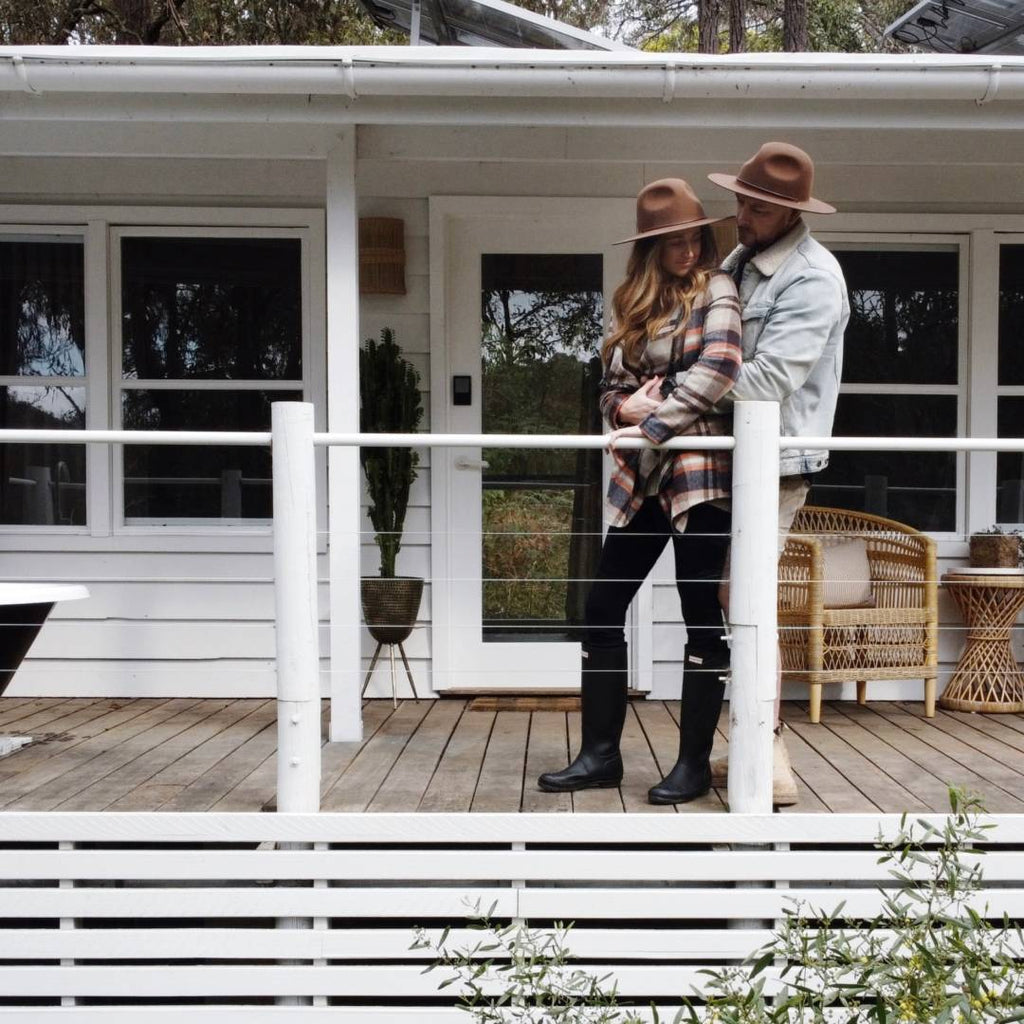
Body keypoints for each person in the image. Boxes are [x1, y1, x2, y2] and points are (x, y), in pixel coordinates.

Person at [537, 178, 742, 803]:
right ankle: (599, 756)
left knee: (700, 612)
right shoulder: (632, 304)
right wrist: (624, 409)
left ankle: (693, 765)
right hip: (641, 481)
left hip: (699, 475)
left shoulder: (719, 289)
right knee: (603, 607)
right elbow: (609, 390)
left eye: (693, 239)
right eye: (673, 243)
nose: (687, 252)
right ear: (651, 249)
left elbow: (720, 368)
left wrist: (647, 422)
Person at [706, 141, 850, 805]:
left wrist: (677, 390)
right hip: (717, 455)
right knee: (718, 596)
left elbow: (767, 379)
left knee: (747, 597)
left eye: (756, 207)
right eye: (739, 199)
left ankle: (767, 744)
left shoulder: (812, 277)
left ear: (789, 211)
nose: (741, 214)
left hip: (778, 463)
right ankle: (729, 736)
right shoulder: (740, 261)